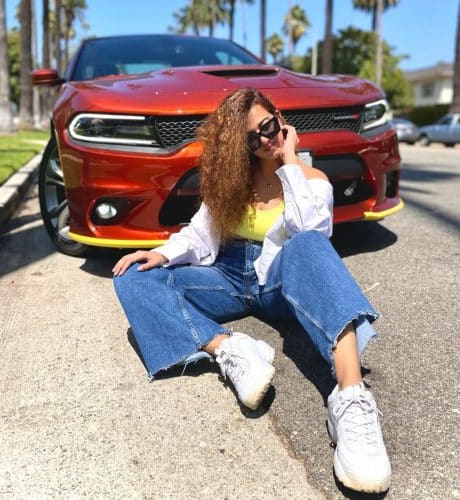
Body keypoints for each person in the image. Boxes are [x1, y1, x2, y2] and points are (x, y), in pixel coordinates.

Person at [112, 88, 391, 493]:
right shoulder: (232, 183)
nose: (265, 139)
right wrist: (159, 253)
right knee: (132, 275)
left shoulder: (312, 179)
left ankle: (351, 398)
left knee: (309, 243)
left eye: (268, 126)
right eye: (251, 138)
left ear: (279, 118)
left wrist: (290, 161)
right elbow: (198, 235)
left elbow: (311, 232)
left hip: (279, 279)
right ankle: (229, 348)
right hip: (228, 277)